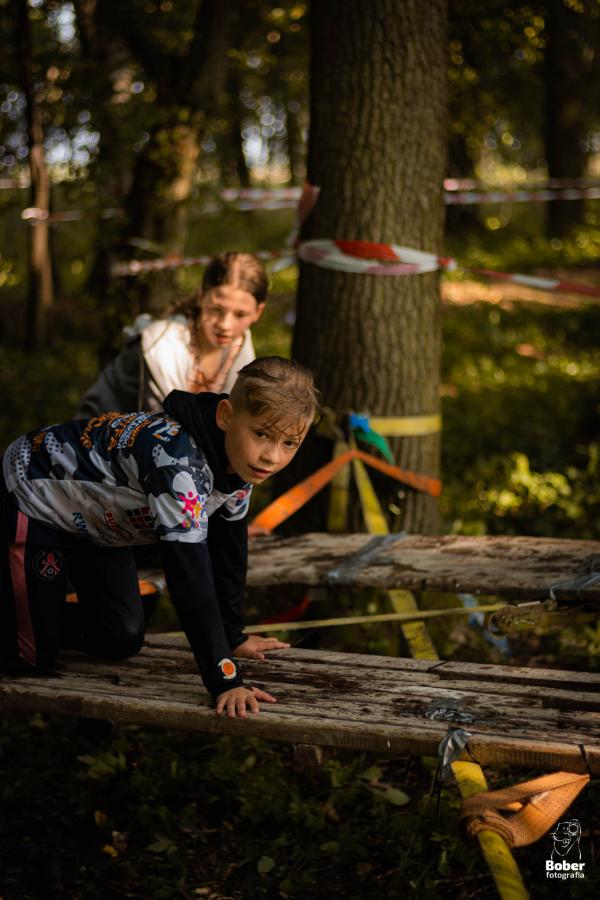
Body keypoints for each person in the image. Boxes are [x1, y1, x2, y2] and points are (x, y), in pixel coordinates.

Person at [0, 357, 320, 719]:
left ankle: (34, 608)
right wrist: (225, 679)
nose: (272, 456)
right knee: (30, 656)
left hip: (98, 525)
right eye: (261, 434)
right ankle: (29, 614)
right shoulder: (179, 465)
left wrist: (234, 635)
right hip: (33, 497)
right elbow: (190, 580)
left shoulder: (241, 461)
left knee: (119, 639)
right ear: (227, 416)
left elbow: (230, 551)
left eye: (290, 443)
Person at [77, 251, 268, 417]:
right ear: (202, 297)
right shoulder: (157, 346)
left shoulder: (244, 356)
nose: (226, 325)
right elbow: (160, 430)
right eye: (216, 309)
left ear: (258, 312)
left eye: (240, 314)